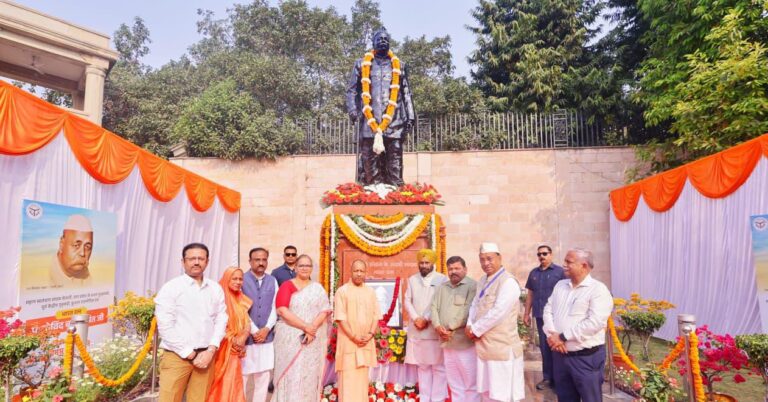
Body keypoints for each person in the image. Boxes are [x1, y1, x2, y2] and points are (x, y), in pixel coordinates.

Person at [155, 243, 228, 402]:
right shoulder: (171, 288)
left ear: (207, 261)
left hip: (206, 357)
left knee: (199, 399)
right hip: (177, 356)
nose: (196, 262)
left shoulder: (215, 288)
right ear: (183, 262)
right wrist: (189, 353)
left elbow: (221, 319)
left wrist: (211, 350)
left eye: (201, 258)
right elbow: (165, 326)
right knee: (169, 399)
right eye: (192, 258)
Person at [345, 27, 415, 186]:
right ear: (373, 42)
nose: (383, 41)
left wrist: (410, 116)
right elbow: (352, 91)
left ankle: (396, 201)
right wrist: (352, 110)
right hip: (370, 123)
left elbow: (406, 92)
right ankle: (372, 203)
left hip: (394, 123)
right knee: (371, 170)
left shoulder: (399, 65)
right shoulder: (362, 64)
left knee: (395, 167)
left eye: (386, 38)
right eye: (380, 38)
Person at [543, 248, 613, 402]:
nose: (564, 265)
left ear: (584, 266)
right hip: (560, 357)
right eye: (565, 261)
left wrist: (562, 337)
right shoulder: (560, 285)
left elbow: (595, 322)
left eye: (569, 262)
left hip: (586, 360)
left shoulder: (598, 290)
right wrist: (551, 335)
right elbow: (548, 310)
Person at [466, 242, 525, 402]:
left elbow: (498, 312)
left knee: (501, 394)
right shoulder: (482, 280)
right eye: (482, 259)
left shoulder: (508, 282)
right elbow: (474, 304)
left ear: (499, 258)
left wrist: (475, 329)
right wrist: (470, 324)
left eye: (489, 259)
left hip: (501, 347)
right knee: (486, 392)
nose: (486, 263)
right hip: (484, 346)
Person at [271, 255, 331, 401]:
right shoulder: (287, 285)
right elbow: (282, 310)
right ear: (296, 268)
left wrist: (312, 329)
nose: (305, 268)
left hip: (312, 340)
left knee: (309, 373)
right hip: (289, 338)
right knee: (290, 373)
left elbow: (324, 310)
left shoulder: (317, 288)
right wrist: (306, 327)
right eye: (302, 265)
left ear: (311, 269)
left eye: (308, 266)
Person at [430, 256, 479, 402]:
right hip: (447, 343)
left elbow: (469, 310)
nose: (453, 272)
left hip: (464, 343)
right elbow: (433, 308)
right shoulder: (442, 288)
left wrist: (449, 328)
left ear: (465, 269)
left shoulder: (473, 286)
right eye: (450, 269)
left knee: (470, 383)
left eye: (457, 268)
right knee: (454, 383)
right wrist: (438, 326)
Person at [334, 260, 382, 401]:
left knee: (361, 383)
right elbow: (340, 318)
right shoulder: (342, 291)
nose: (359, 274)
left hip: (365, 343)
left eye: (362, 271)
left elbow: (375, 315)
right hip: (349, 343)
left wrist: (370, 334)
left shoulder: (370, 292)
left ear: (365, 273)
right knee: (348, 383)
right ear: (351, 271)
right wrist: (354, 337)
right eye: (356, 271)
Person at [404, 249, 448, 402]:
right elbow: (407, 301)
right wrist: (416, 318)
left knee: (438, 367)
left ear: (433, 263)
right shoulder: (412, 279)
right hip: (417, 331)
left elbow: (440, 302)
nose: (423, 266)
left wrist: (426, 318)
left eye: (426, 263)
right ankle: (424, 398)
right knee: (422, 367)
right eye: (421, 263)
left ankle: (437, 399)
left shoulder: (442, 279)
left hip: (433, 331)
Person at [207, 267, 252, 402]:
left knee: (234, 382)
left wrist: (243, 337)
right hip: (221, 349)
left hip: (237, 348)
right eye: (234, 279)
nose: (238, 282)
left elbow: (247, 321)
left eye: (240, 279)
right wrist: (233, 340)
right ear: (227, 279)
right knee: (222, 382)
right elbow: (213, 324)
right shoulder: (217, 298)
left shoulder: (241, 298)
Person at [524, 245, 565, 391]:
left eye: (545, 253)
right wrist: (526, 313)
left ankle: (560, 378)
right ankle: (548, 378)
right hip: (540, 317)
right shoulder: (534, 273)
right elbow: (530, 294)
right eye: (539, 254)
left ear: (551, 254)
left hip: (557, 316)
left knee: (558, 345)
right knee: (545, 348)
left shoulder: (560, 272)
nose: (542, 256)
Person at [240, 247, 277, 402]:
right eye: (257, 259)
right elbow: (239, 309)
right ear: (250, 261)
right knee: (243, 377)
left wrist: (267, 329)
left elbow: (275, 307)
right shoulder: (241, 279)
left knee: (263, 378)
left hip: (266, 338)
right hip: (246, 339)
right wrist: (254, 331)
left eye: (264, 259)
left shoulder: (272, 280)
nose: (261, 263)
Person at [50, 214, 94, 287]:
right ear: (62, 244)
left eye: (87, 247)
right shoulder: (45, 275)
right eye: (76, 245)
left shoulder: (85, 274)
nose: (82, 253)